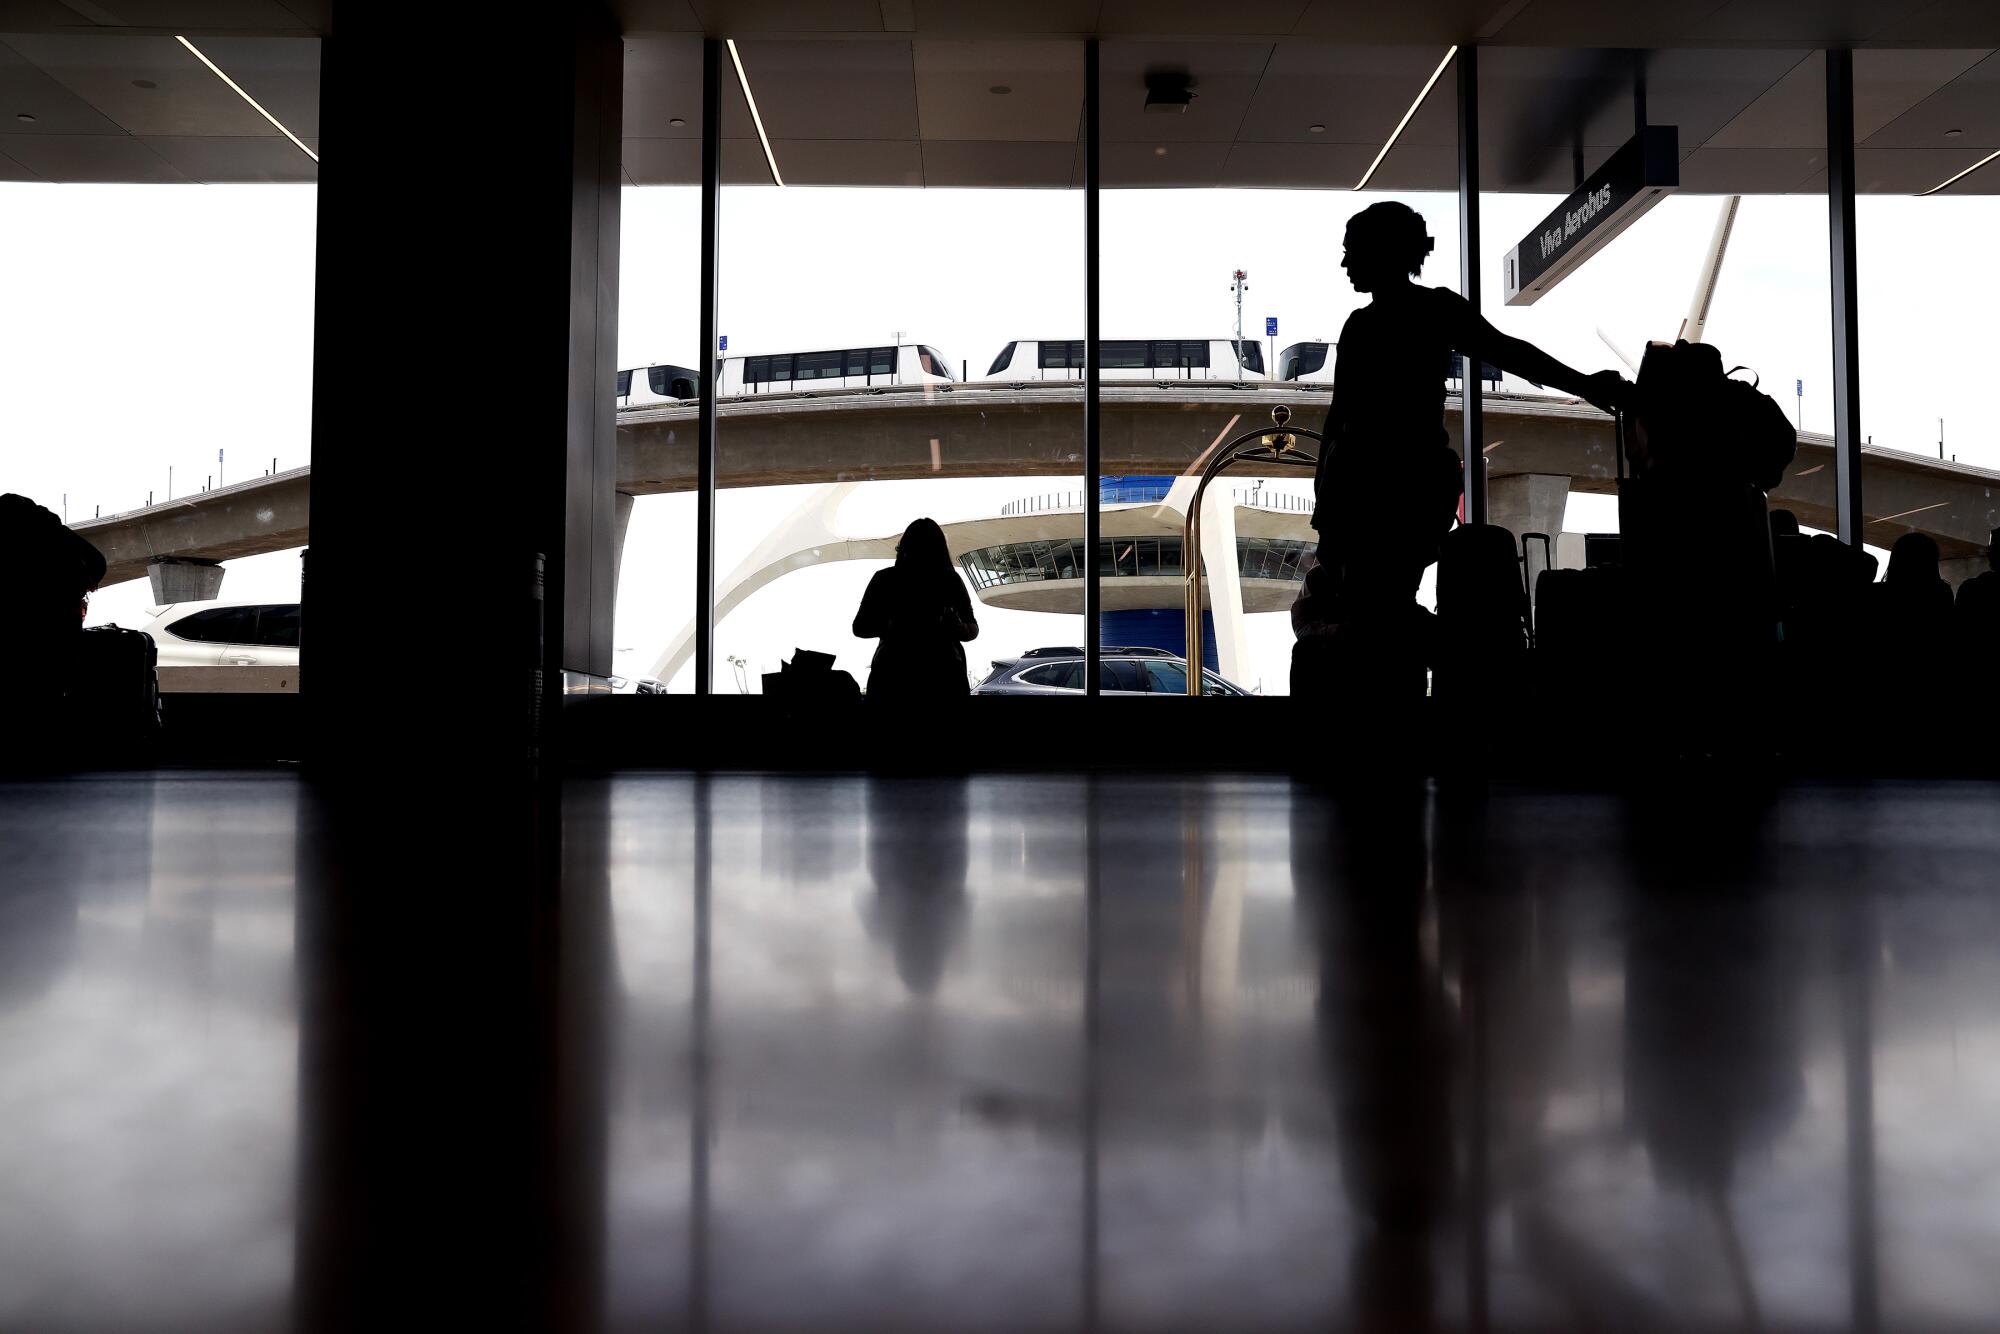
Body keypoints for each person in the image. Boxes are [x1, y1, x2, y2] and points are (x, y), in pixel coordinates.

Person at [1310, 202, 1626, 647]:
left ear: (1382, 251)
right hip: (1410, 488)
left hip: (1362, 494)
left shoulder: (1361, 327)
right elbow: (1509, 351)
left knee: (1368, 614)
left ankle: (1455, 651)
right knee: (1381, 610)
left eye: (1352, 251)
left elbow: (1338, 418)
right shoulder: (1432, 311)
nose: (1345, 263)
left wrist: (1325, 494)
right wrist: (1582, 383)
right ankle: (1465, 652)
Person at [852, 517, 977, 702]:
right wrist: (956, 628)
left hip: (892, 673)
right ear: (940, 548)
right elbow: (973, 629)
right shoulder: (950, 581)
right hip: (944, 672)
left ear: (904, 547)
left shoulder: (884, 580)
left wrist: (893, 625)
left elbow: (860, 627)